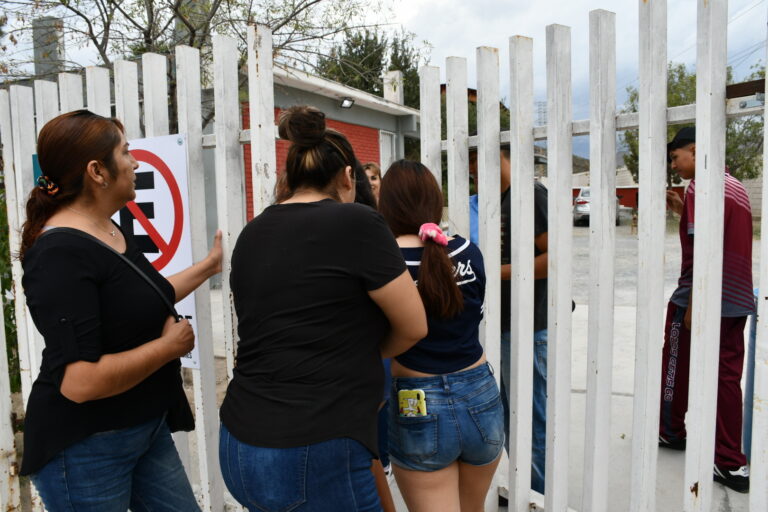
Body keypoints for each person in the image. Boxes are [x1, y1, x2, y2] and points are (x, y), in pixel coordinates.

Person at [219, 106, 427, 512]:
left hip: (239, 443)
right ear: (348, 177)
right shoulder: (357, 222)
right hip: (312, 447)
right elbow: (414, 325)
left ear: (288, 178)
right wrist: (363, 353)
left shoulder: (253, 230)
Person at [19, 109, 223, 511]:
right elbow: (80, 382)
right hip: (85, 447)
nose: (135, 162)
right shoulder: (59, 254)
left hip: (144, 428)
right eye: (126, 152)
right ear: (98, 171)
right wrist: (169, 348)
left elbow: (148, 294)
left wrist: (210, 266)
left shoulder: (109, 228)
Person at [379, 160, 504, 512]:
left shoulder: (385, 262)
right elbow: (475, 315)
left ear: (386, 205)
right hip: (480, 394)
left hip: (418, 403)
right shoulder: (467, 250)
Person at [660, 126, 753, 493]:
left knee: (675, 363)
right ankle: (731, 462)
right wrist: (684, 211)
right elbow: (722, 235)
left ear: (696, 150)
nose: (674, 164)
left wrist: (694, 304)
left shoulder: (701, 186)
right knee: (727, 378)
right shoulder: (736, 186)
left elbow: (704, 248)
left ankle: (670, 431)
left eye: (675, 157)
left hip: (701, 296)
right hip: (736, 299)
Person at [469, 146, 549, 494]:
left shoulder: (527, 196)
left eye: (473, 167)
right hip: (504, 324)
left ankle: (538, 493)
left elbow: (554, 257)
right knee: (509, 416)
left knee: (530, 417)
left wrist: (494, 272)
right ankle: (523, 488)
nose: (473, 176)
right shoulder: (500, 199)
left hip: (527, 326)